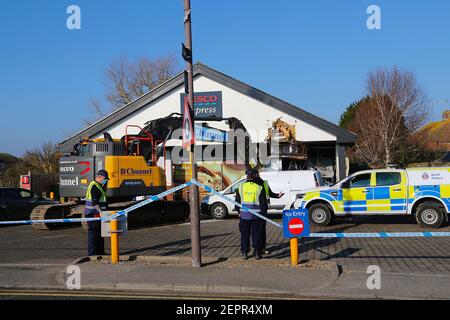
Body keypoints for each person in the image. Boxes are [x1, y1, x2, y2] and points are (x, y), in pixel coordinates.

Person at [235, 169, 268, 260]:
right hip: (256, 215)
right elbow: (263, 203)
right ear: (253, 176)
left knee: (244, 235)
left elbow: (237, 202)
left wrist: (238, 211)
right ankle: (257, 253)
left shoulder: (241, 187)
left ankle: (245, 253)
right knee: (256, 234)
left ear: (247, 176)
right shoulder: (259, 187)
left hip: (244, 216)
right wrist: (264, 214)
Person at [254, 171, 285, 255]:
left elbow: (270, 193)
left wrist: (278, 195)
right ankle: (256, 249)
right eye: (256, 174)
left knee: (261, 230)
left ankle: (261, 248)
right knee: (256, 231)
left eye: (258, 174)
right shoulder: (250, 184)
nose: (258, 175)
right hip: (254, 209)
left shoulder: (264, 183)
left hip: (262, 209)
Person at [84, 170, 109, 256]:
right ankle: (92, 254)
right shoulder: (94, 187)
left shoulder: (98, 185)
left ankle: (100, 252)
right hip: (93, 213)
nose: (106, 181)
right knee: (93, 234)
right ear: (99, 177)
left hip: (96, 214)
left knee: (100, 234)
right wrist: (101, 212)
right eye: (105, 179)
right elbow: (95, 203)